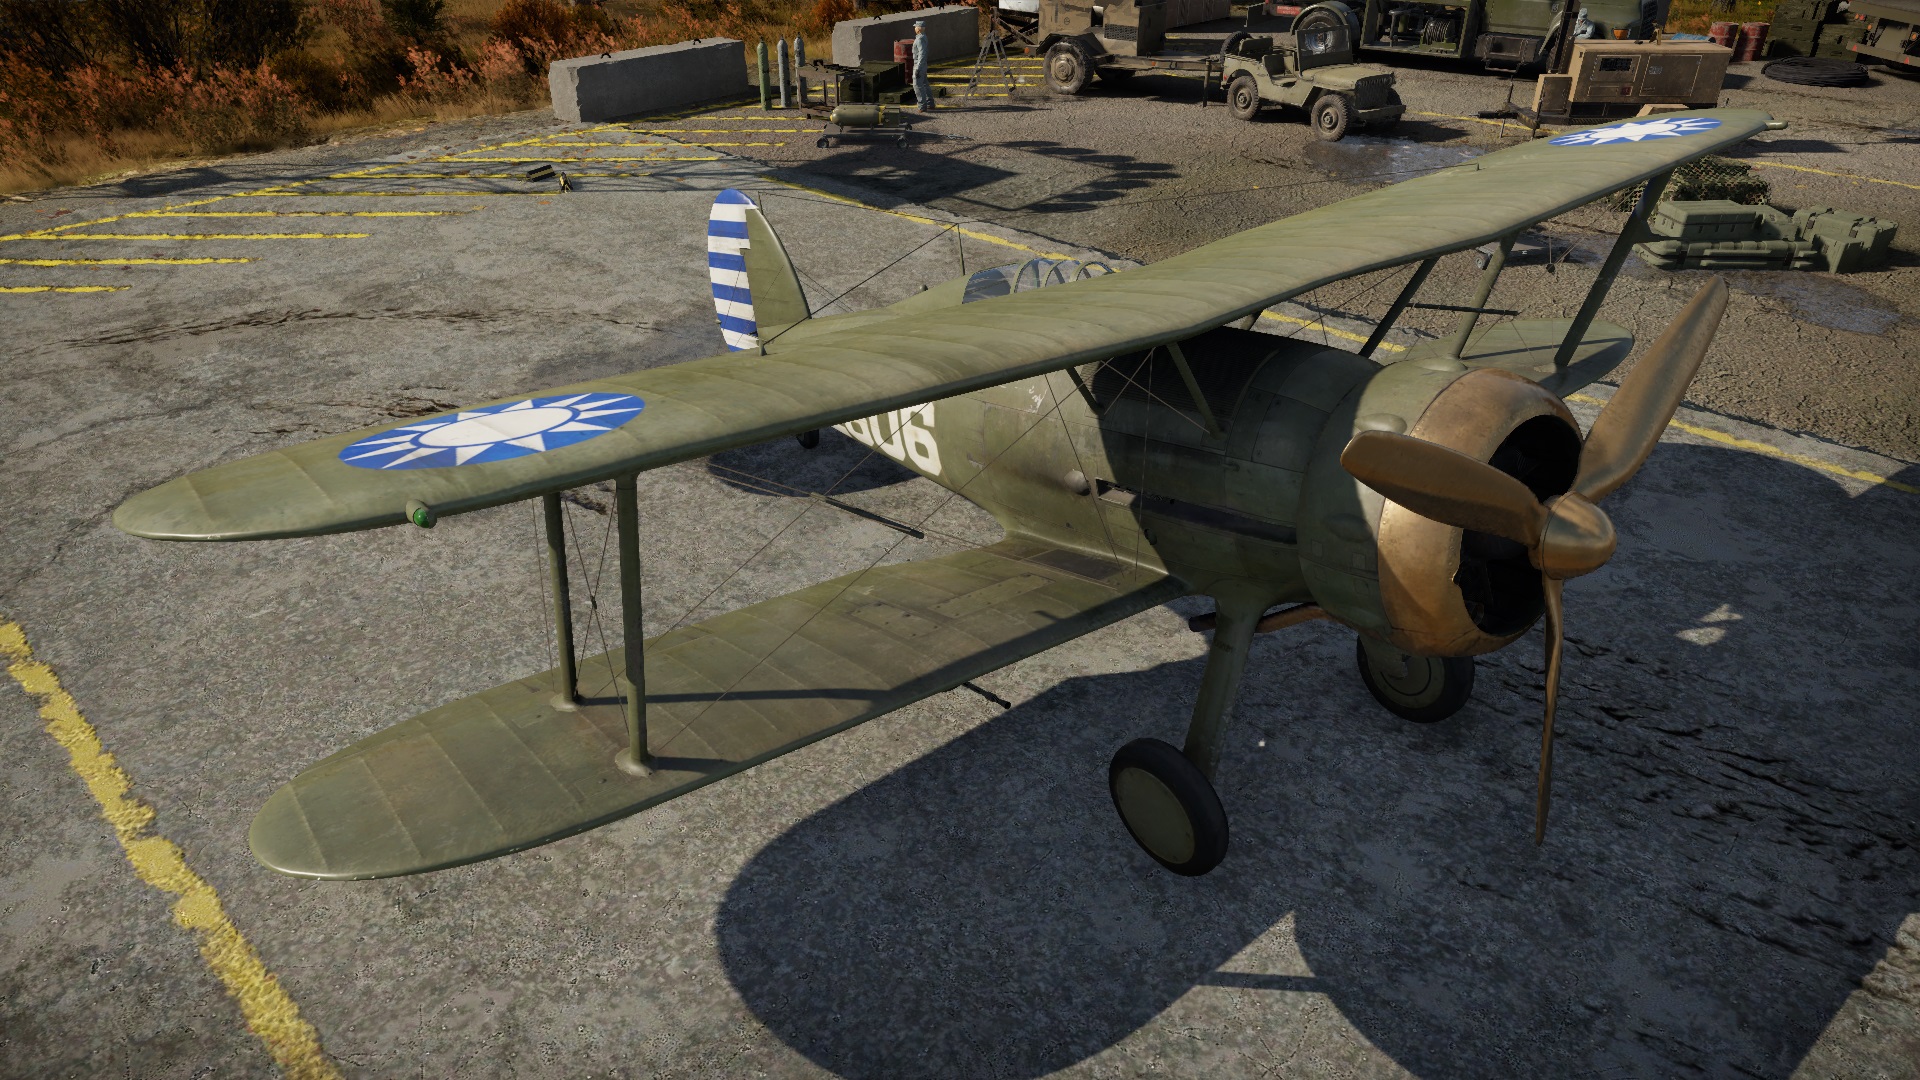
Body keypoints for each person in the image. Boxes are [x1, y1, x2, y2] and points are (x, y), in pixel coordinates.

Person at [911, 20, 935, 111]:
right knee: (925, 83)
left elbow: (922, 54)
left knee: (917, 84)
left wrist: (918, 67)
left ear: (918, 29)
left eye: (915, 27)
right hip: (922, 64)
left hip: (919, 64)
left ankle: (922, 105)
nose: (914, 28)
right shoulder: (923, 37)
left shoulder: (920, 39)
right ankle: (930, 103)